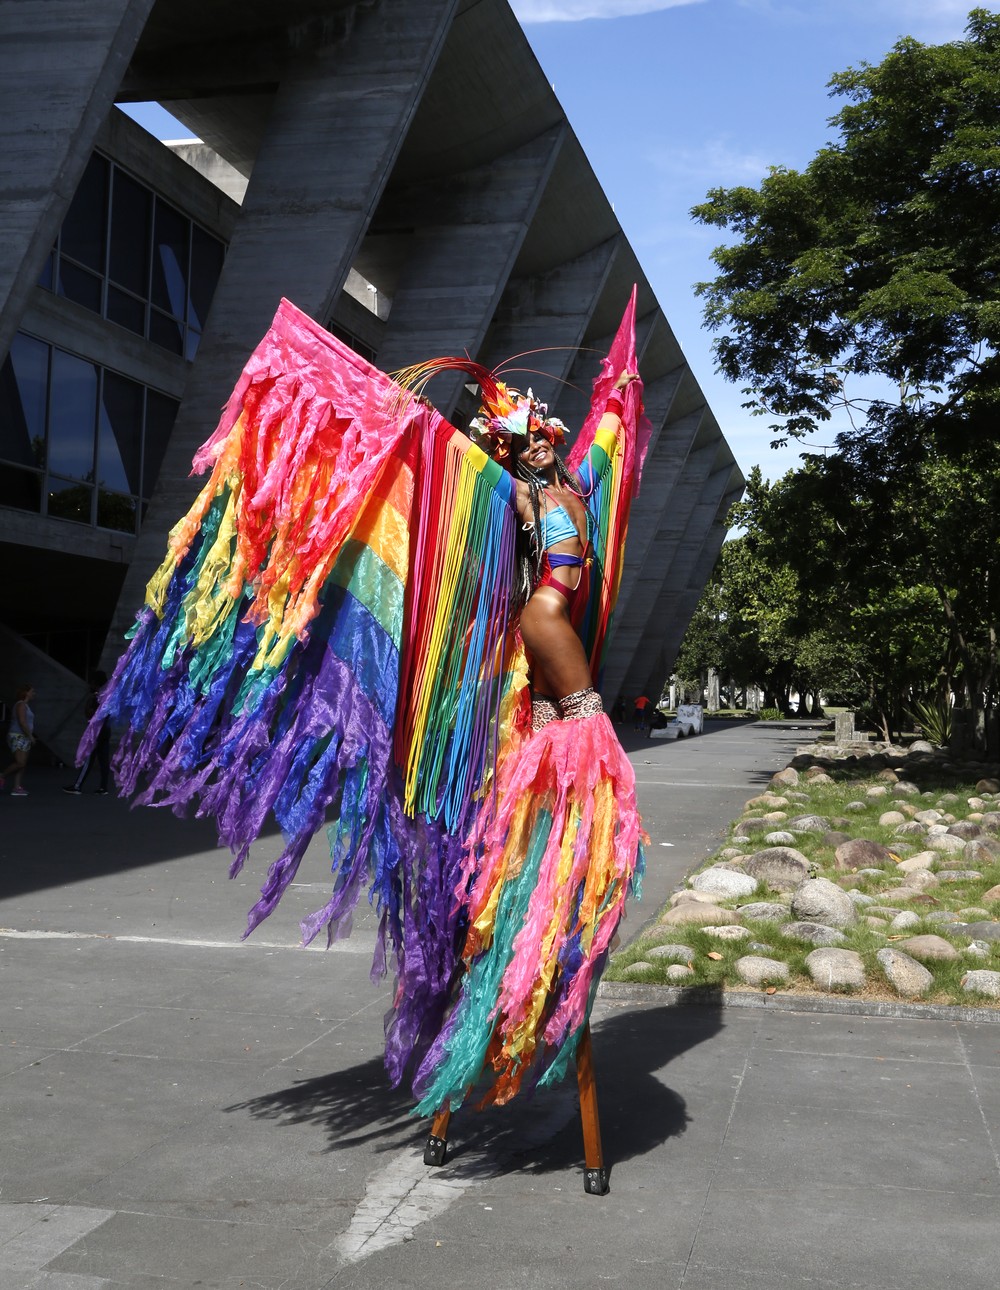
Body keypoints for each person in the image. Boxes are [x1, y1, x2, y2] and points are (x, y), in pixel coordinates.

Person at [63, 672, 110, 795]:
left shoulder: (97, 697)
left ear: (95, 683)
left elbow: (91, 714)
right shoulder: (107, 695)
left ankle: (77, 786)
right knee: (103, 760)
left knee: (89, 758)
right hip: (106, 730)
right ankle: (103, 787)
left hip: (97, 731)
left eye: (92, 682)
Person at [2, 683, 36, 796]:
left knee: (23, 764)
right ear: (26, 693)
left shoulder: (26, 705)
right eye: (32, 692)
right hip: (18, 735)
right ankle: (1, 776)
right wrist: (31, 736)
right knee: (20, 763)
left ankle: (17, 787)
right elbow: (22, 722)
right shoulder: (21, 705)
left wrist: (29, 736)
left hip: (24, 736)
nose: (33, 694)